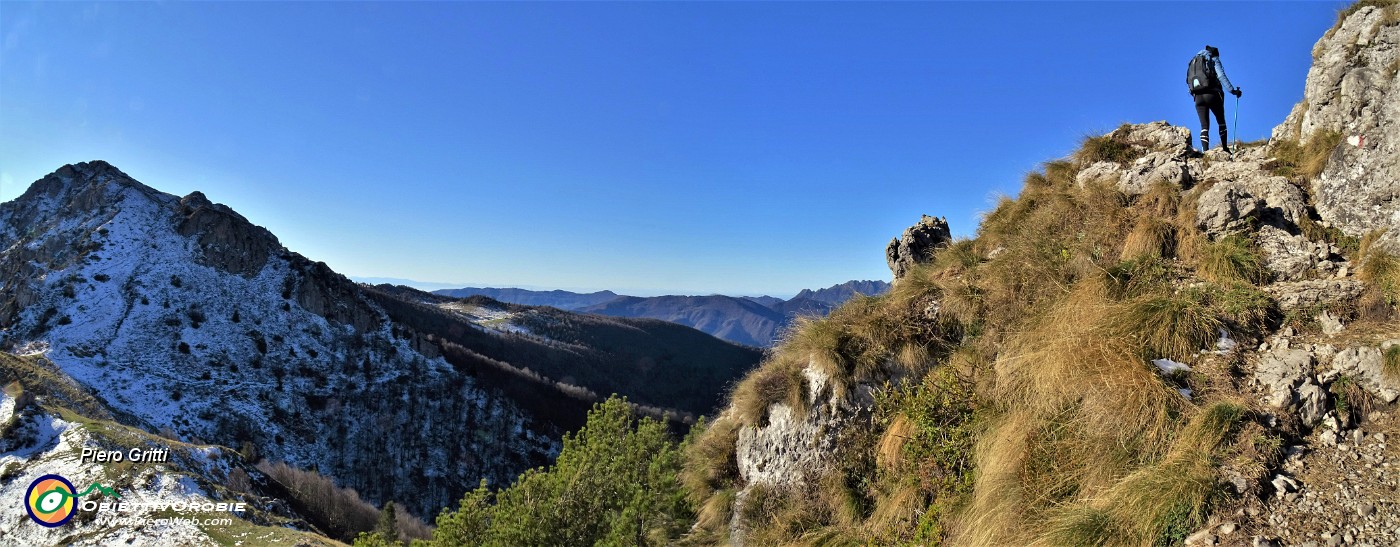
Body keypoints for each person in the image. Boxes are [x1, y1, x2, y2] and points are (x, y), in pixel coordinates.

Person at [1188, 45, 1242, 155]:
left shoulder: (1194, 60)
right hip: (1212, 93)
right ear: (1215, 54)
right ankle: (1225, 149)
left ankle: (1205, 152)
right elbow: (1221, 76)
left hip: (1198, 97)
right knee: (1221, 121)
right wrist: (1233, 91)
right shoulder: (1213, 59)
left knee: (1204, 126)